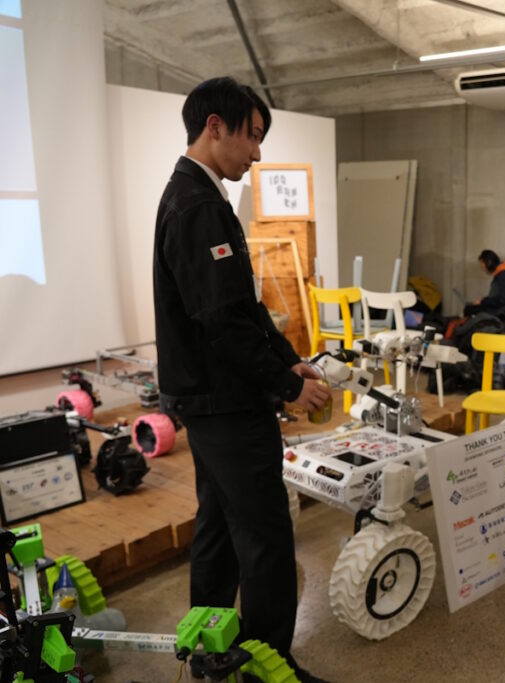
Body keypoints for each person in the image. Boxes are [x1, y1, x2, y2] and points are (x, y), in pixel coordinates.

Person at [152, 76, 330, 682]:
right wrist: (288, 386)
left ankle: (213, 653)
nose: (257, 153)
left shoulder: (199, 196)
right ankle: (266, 666)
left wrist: (287, 360)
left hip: (211, 401)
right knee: (265, 536)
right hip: (225, 403)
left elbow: (243, 308)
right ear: (214, 127)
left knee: (219, 530)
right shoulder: (197, 205)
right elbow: (222, 324)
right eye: (251, 136)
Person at [463, 249, 505, 315]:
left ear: (489, 262)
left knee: (469, 310)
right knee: (471, 308)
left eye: (483, 267)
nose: (483, 270)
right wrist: (483, 301)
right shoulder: (503, 272)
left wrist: (484, 302)